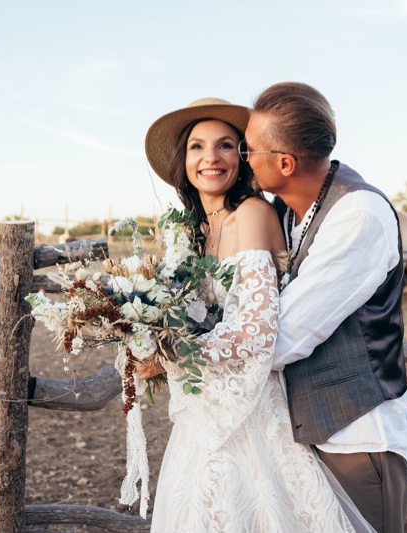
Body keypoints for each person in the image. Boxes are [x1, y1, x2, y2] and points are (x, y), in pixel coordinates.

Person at [140, 98, 374, 532]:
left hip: (250, 410)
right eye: (197, 147)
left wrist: (171, 353)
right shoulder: (186, 230)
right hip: (201, 409)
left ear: (243, 157)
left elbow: (255, 332)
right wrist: (137, 334)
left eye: (225, 145)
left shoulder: (251, 214)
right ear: (183, 160)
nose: (210, 158)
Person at [242, 82, 407, 533]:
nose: (244, 159)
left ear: (284, 162)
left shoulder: (359, 214)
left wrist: (194, 352)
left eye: (249, 150)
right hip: (303, 435)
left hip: (356, 437)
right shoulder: (284, 214)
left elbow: (287, 335)